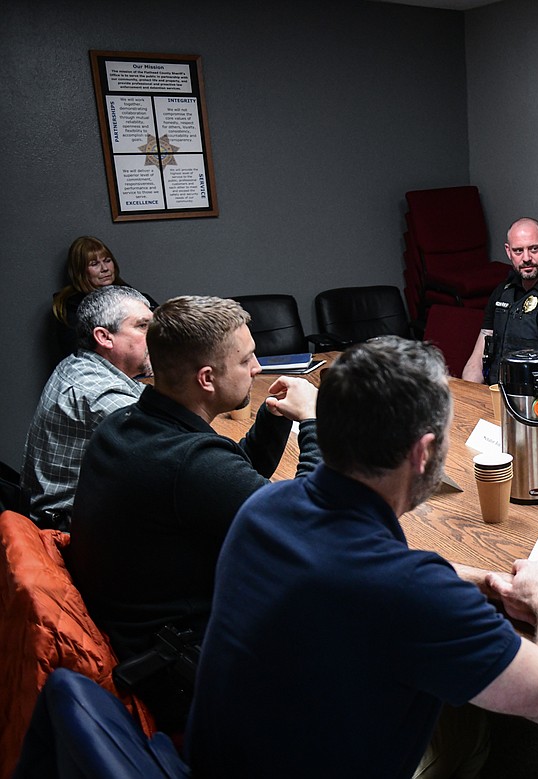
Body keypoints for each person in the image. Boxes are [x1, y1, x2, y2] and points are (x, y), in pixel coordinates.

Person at [188, 337, 538, 777]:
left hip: (223, 761)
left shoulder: (263, 510)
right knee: (473, 726)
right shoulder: (409, 592)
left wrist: (485, 582)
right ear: (423, 452)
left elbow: (365, 570)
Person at [66, 295, 322, 732]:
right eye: (246, 360)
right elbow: (310, 525)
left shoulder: (130, 423)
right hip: (194, 679)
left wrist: (274, 420)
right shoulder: (188, 462)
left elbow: (218, 488)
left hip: (145, 643)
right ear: (207, 378)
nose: (258, 369)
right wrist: (315, 422)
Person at [22, 286, 153, 531]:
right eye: (142, 326)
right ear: (104, 337)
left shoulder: (79, 363)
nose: (156, 335)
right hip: (68, 532)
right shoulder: (100, 394)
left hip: (63, 514)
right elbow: (175, 447)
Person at [461, 217, 538, 391]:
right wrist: (469, 395)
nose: (526, 258)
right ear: (508, 252)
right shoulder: (503, 292)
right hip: (495, 397)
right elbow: (476, 362)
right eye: (518, 251)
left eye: (534, 249)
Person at [51, 236, 156, 354]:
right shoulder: (70, 309)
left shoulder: (135, 296)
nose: (105, 268)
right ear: (80, 271)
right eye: (94, 264)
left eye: (107, 260)